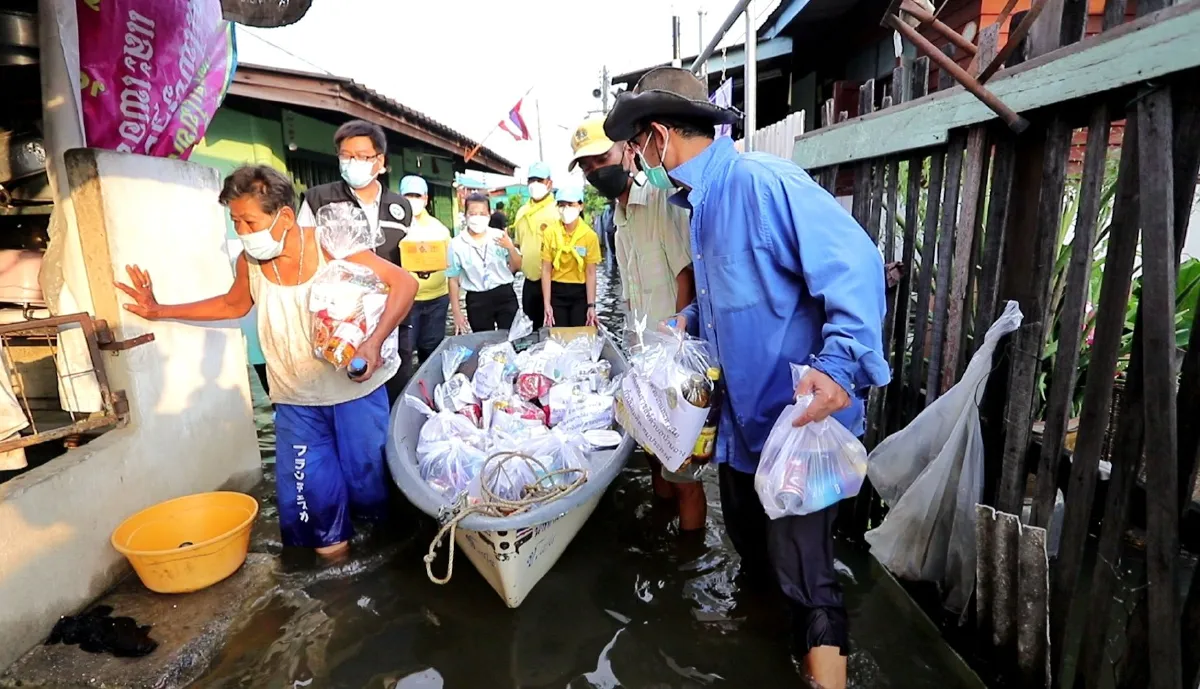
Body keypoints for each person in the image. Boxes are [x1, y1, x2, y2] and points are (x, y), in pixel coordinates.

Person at [605, 67, 889, 689]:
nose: (634, 162)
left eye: (634, 149)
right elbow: (724, 304)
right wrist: (685, 324)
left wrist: (839, 366)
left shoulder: (761, 183)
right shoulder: (699, 211)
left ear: (657, 137)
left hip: (796, 428)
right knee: (754, 558)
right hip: (741, 432)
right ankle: (765, 656)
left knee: (810, 579)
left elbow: (857, 265)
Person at [117, 165, 419, 559]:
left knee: (372, 492)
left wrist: (374, 343)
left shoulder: (331, 244)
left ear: (285, 217)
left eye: (249, 221)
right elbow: (232, 303)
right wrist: (159, 310)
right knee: (316, 513)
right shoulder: (251, 261)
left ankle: (386, 572)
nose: (243, 232)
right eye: (235, 221)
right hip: (296, 402)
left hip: (355, 393)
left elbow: (405, 283)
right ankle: (338, 589)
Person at [568, 114, 706, 531]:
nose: (596, 170)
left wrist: (674, 351)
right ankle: (659, 527)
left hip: (674, 357)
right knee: (652, 452)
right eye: (587, 166)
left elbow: (687, 276)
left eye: (600, 158)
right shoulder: (618, 217)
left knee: (682, 471)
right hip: (642, 355)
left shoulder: (661, 200)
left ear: (629, 149)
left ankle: (688, 554)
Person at [295, 119, 415, 407]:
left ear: (380, 161)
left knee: (396, 387)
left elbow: (406, 260)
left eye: (362, 156)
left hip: (393, 314)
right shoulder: (318, 200)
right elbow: (305, 255)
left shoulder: (400, 207)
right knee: (350, 390)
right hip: (342, 317)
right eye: (346, 156)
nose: (353, 163)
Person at [446, 193, 522, 333]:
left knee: (512, 337)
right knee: (483, 341)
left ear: (489, 214)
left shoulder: (499, 236)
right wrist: (456, 312)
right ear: (466, 215)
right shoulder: (456, 244)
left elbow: (517, 265)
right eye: (473, 213)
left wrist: (510, 247)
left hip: (504, 294)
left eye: (482, 213)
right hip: (477, 299)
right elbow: (453, 280)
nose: (477, 217)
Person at [398, 175, 452, 363]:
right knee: (404, 350)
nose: (413, 200)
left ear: (426, 199)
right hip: (406, 300)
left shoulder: (439, 229)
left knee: (432, 350)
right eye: (408, 195)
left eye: (417, 196)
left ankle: (427, 388)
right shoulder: (395, 227)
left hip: (437, 299)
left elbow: (451, 265)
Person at [541, 186, 601, 328]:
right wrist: (547, 304)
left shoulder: (589, 235)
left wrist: (591, 305)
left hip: (580, 292)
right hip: (557, 290)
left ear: (580, 206)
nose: (566, 208)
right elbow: (546, 270)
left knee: (578, 335)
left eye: (570, 204)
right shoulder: (550, 232)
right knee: (559, 335)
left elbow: (591, 272)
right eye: (562, 205)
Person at [512, 162, 557, 327]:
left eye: (540, 179)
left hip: (555, 282)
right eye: (531, 180)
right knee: (531, 331)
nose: (535, 184)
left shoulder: (557, 211)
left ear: (549, 183)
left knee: (554, 330)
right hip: (529, 282)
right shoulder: (521, 212)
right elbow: (518, 245)